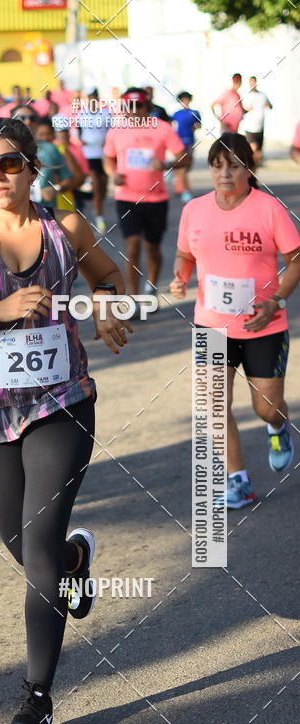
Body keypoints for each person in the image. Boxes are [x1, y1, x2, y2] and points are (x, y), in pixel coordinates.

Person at [0, 118, 132, 724]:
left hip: (62, 405)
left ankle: (37, 698)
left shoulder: (64, 226)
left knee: (35, 553)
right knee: (29, 552)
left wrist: (106, 306)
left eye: (8, 164)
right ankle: (75, 556)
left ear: (31, 167)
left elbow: (112, 277)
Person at [170, 134, 300, 508]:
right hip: (211, 324)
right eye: (217, 165)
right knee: (213, 405)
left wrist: (275, 301)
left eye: (234, 165)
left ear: (249, 169)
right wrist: (180, 276)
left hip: (264, 326)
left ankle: (277, 426)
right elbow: (184, 255)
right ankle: (238, 479)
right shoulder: (194, 209)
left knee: (265, 406)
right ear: (209, 168)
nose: (225, 173)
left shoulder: (269, 209)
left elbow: (296, 261)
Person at [103, 87, 187, 302]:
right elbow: (108, 158)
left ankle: (151, 286)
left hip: (156, 198)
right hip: (126, 197)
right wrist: (113, 175)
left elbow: (184, 158)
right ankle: (134, 297)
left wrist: (166, 163)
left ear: (146, 106)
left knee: (153, 249)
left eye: (137, 106)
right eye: (128, 106)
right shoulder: (116, 130)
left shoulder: (162, 128)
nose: (133, 111)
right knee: (132, 246)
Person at [11, 106, 78, 209]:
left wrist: (56, 189)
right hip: (13, 213)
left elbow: (70, 179)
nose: (28, 121)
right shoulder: (2, 150)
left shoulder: (50, 149)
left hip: (45, 215)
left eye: (32, 118)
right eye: (22, 118)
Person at [76, 90, 110, 232]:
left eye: (95, 98)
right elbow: (78, 132)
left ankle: (95, 204)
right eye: (90, 99)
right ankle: (99, 219)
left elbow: (111, 132)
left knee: (103, 187)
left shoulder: (106, 114)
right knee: (96, 185)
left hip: (105, 155)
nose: (93, 101)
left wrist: (107, 143)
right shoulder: (82, 114)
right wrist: (82, 141)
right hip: (90, 154)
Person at [34, 117, 84, 212]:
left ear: (54, 134)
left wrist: (57, 187)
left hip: (62, 203)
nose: (45, 138)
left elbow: (78, 179)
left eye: (48, 134)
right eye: (41, 134)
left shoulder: (61, 151)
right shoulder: (32, 152)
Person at [171, 91, 202, 203]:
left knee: (186, 167)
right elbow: (171, 125)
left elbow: (199, 125)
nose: (185, 101)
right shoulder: (176, 114)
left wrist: (195, 127)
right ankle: (185, 190)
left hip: (190, 142)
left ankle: (179, 186)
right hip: (178, 143)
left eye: (187, 99)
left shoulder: (194, 113)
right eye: (183, 99)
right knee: (182, 167)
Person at [242, 76, 272, 168]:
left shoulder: (262, 95)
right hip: (250, 126)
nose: (252, 85)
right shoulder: (246, 95)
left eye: (254, 82)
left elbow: (270, 106)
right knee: (253, 148)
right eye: (250, 83)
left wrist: (268, 105)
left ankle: (254, 172)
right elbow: (241, 110)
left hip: (260, 126)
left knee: (258, 151)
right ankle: (250, 168)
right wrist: (247, 110)